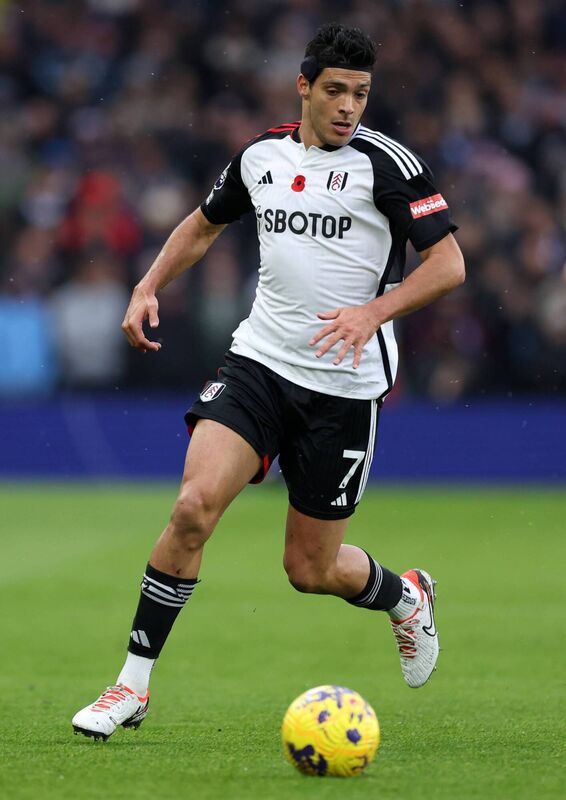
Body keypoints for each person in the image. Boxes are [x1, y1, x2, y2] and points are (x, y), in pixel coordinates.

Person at [72, 23, 464, 741]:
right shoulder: (261, 157)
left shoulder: (390, 165)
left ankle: (403, 595)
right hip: (259, 363)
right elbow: (202, 223)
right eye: (337, 91)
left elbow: (449, 265)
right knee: (192, 508)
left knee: (309, 569)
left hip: (344, 387)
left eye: (362, 94)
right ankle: (130, 688)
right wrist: (147, 284)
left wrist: (372, 312)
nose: (349, 107)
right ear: (305, 88)